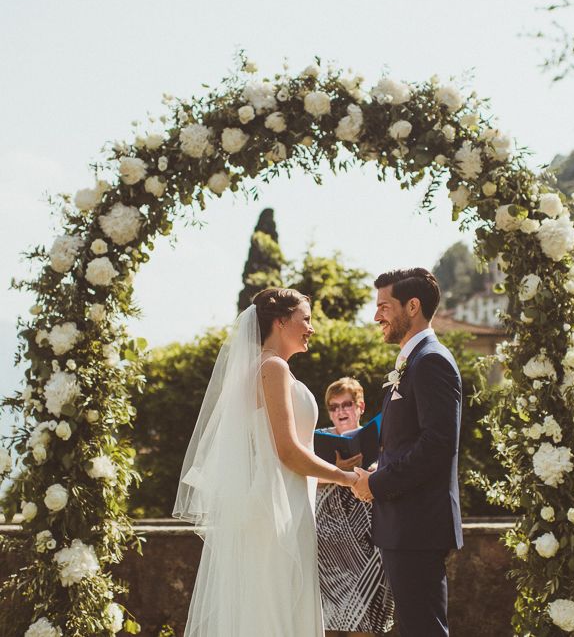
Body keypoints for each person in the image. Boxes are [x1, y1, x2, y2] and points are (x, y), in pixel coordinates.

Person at [173, 288, 357, 637]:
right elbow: (286, 451)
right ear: (281, 320)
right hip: (277, 507)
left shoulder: (269, 368)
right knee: (274, 609)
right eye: (306, 319)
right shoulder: (271, 367)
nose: (311, 328)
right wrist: (345, 477)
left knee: (274, 605)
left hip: (286, 501)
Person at [351, 268, 463, 637]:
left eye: (384, 306)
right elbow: (407, 442)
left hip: (418, 525)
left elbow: (437, 444)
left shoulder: (431, 360)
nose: (376, 316)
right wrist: (377, 467)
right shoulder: (413, 361)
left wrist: (377, 483)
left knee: (423, 629)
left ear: (412, 306)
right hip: (404, 524)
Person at [315, 377, 395, 637]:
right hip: (327, 546)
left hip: (367, 543)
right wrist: (340, 471)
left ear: (360, 406)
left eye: (346, 404)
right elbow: (301, 478)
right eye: (333, 407)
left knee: (365, 622)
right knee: (328, 624)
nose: (340, 412)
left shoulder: (381, 438)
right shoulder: (319, 440)